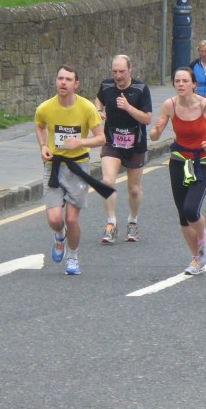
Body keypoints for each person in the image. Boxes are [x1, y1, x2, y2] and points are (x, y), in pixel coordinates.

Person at [35, 65, 108, 275]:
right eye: (60, 78)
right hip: (54, 166)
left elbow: (101, 138)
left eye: (68, 79)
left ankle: (73, 257)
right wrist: (43, 146)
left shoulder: (86, 108)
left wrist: (79, 142)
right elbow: (40, 125)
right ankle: (59, 236)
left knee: (72, 219)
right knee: (55, 219)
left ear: (76, 84)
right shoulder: (45, 108)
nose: (63, 83)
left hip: (78, 166)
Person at [150, 68, 206, 275]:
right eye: (177, 81)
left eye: (184, 81)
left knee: (191, 210)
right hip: (179, 161)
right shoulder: (169, 105)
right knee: (183, 215)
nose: (180, 84)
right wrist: (156, 129)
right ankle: (196, 258)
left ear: (194, 84)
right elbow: (154, 137)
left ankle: (204, 239)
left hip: (203, 161)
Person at [95, 55, 153, 244]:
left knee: (134, 189)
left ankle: (133, 221)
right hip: (112, 142)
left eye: (121, 71)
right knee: (107, 181)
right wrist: (99, 111)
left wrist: (128, 107)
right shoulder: (106, 86)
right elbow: (98, 99)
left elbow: (147, 119)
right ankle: (111, 223)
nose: (118, 76)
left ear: (130, 70)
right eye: (114, 72)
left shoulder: (141, 89)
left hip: (135, 145)